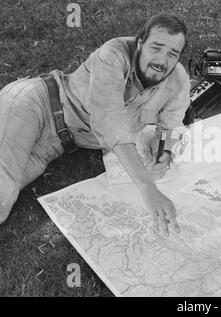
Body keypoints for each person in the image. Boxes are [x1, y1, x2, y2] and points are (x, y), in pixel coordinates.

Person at [0, 14, 191, 236]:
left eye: (172, 54)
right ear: (140, 44)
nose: (162, 60)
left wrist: (164, 152)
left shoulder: (179, 81)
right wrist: (148, 188)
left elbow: (172, 128)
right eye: (156, 48)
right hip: (37, 104)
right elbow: (108, 120)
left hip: (54, 146)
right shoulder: (113, 54)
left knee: (10, 188)